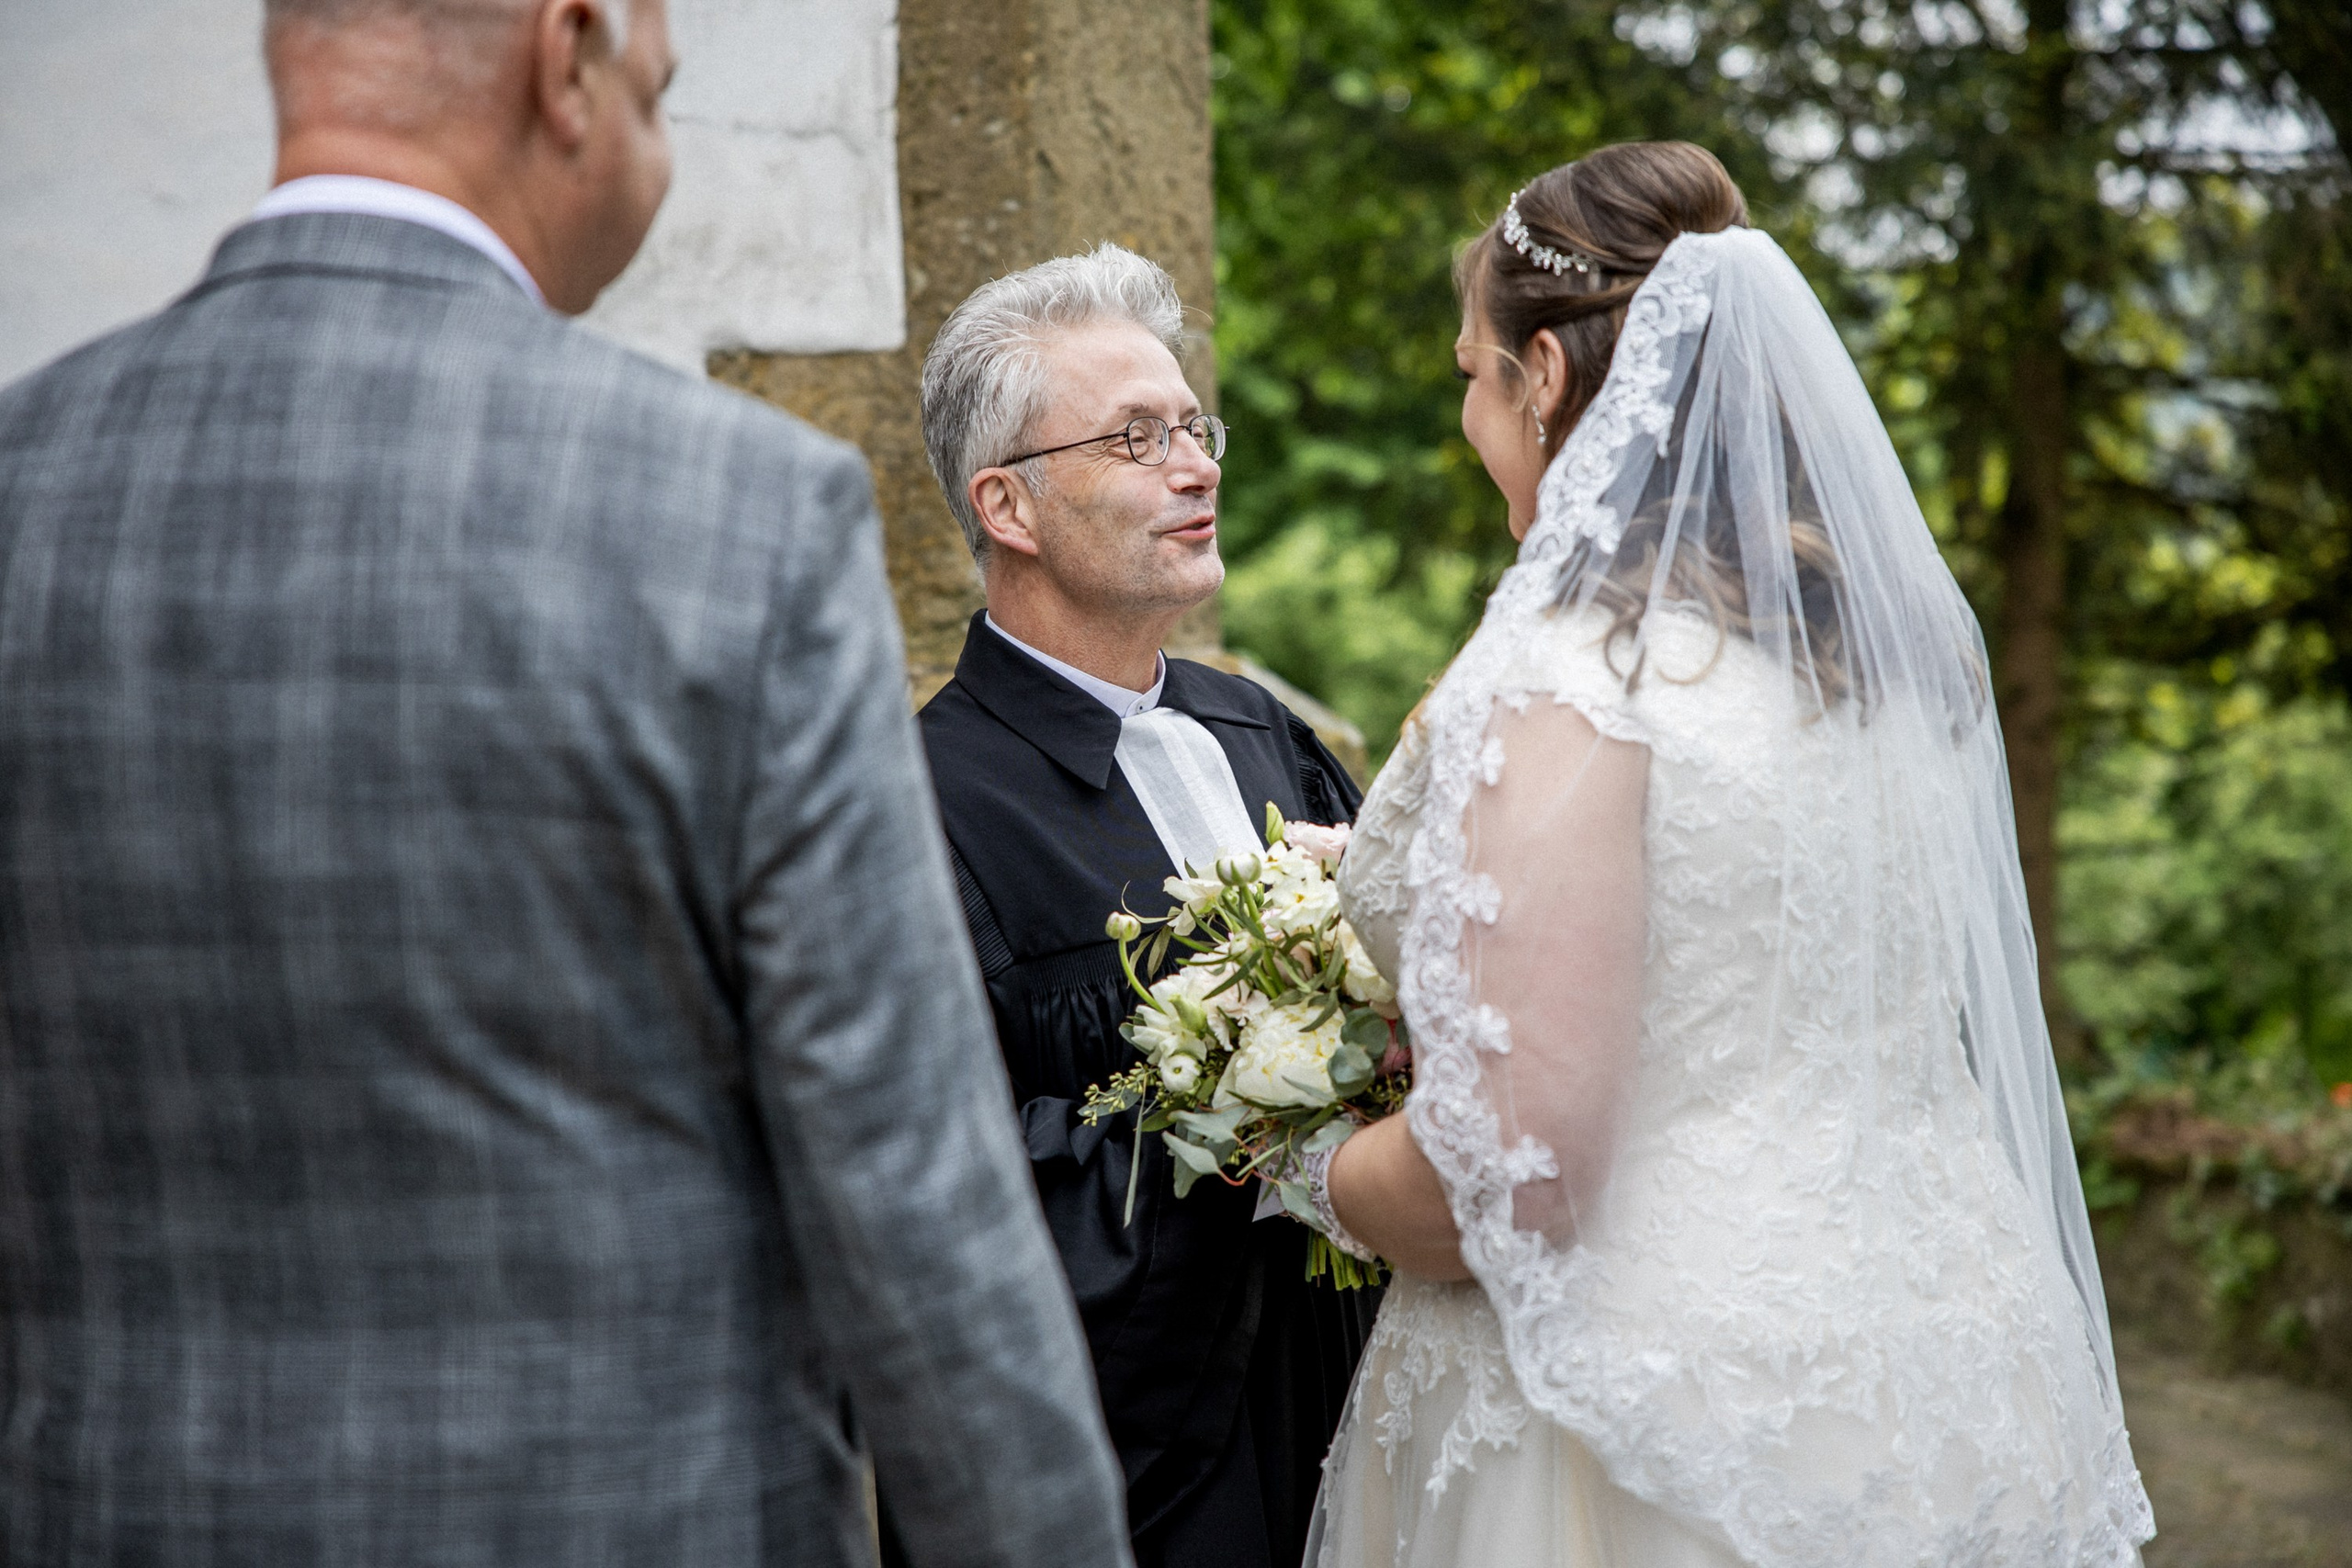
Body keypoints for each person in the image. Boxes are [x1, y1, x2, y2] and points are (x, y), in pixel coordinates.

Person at [0, 2, 1130, 1564]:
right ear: (569, 53)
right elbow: (913, 1200)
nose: (658, 149)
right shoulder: (740, 518)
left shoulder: (26, 480)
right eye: (661, 99)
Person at [1297, 143, 2158, 1566]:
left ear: (1549, 380)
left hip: (1636, 1416)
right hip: (1939, 1361)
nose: (1468, 409)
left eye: (1472, 370)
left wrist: (1307, 1171)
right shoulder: (1889, 676)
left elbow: (1518, 1174)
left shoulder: (1579, 683)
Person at [908, 245, 1378, 1568]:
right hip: (1155, 1484)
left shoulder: (1262, 735)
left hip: (1359, 1404)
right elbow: (943, 1185)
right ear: (1010, 505)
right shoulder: (917, 808)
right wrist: (1244, 1113)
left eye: (1193, 426)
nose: (1198, 465)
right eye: (1137, 438)